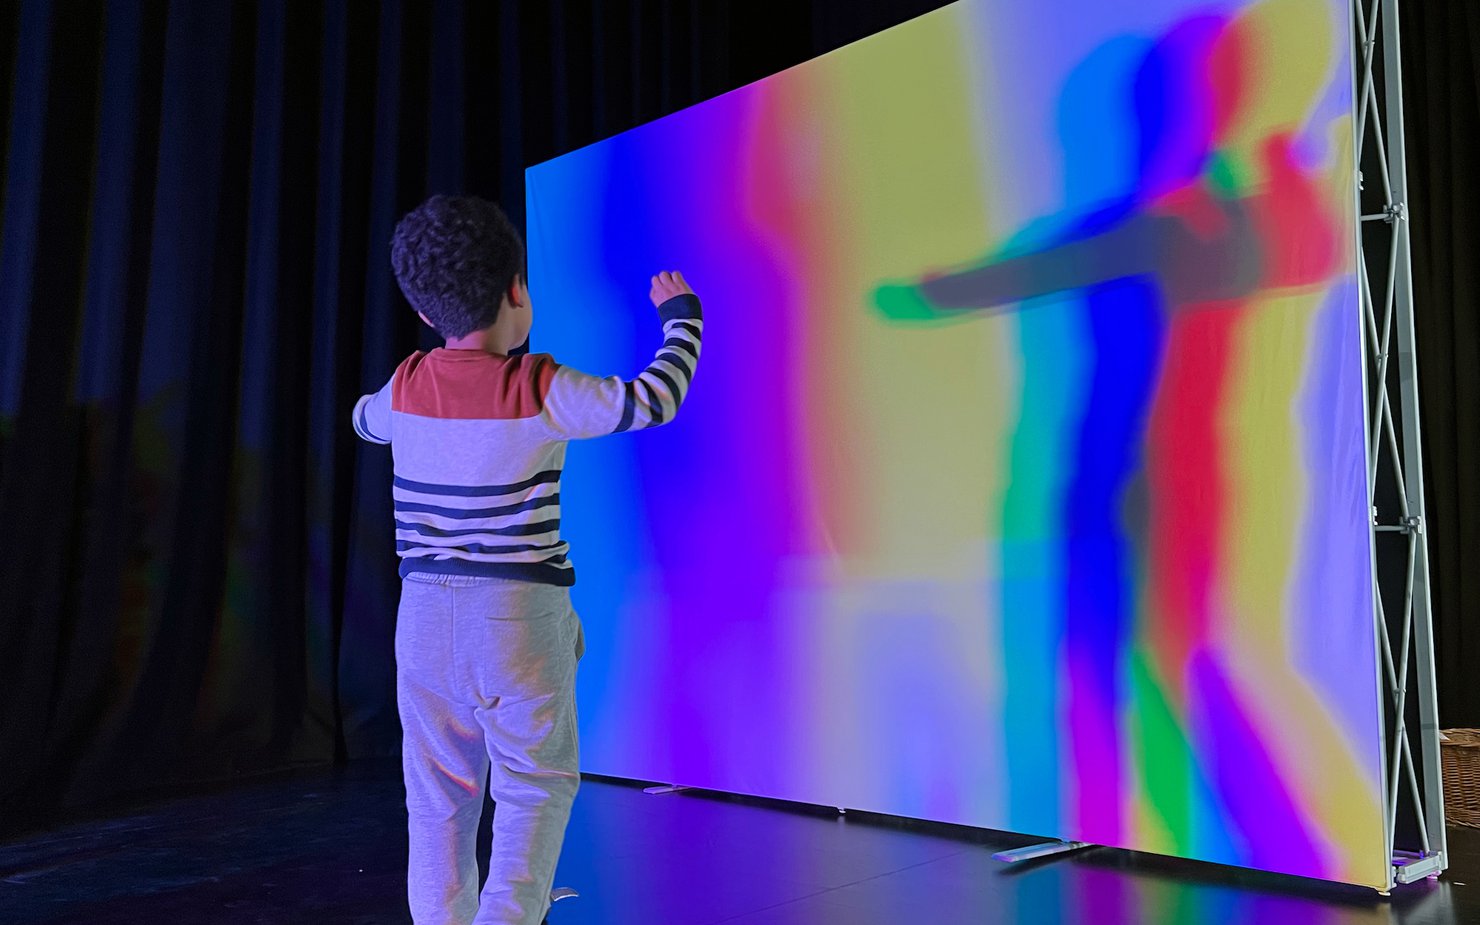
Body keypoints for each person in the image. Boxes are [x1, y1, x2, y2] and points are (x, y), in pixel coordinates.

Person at [352, 194, 703, 925]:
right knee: (533, 785)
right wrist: (682, 321)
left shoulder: (409, 383)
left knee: (440, 795)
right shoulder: (536, 386)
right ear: (518, 291)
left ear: (423, 311)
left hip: (424, 619)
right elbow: (653, 399)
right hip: (516, 615)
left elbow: (364, 419)